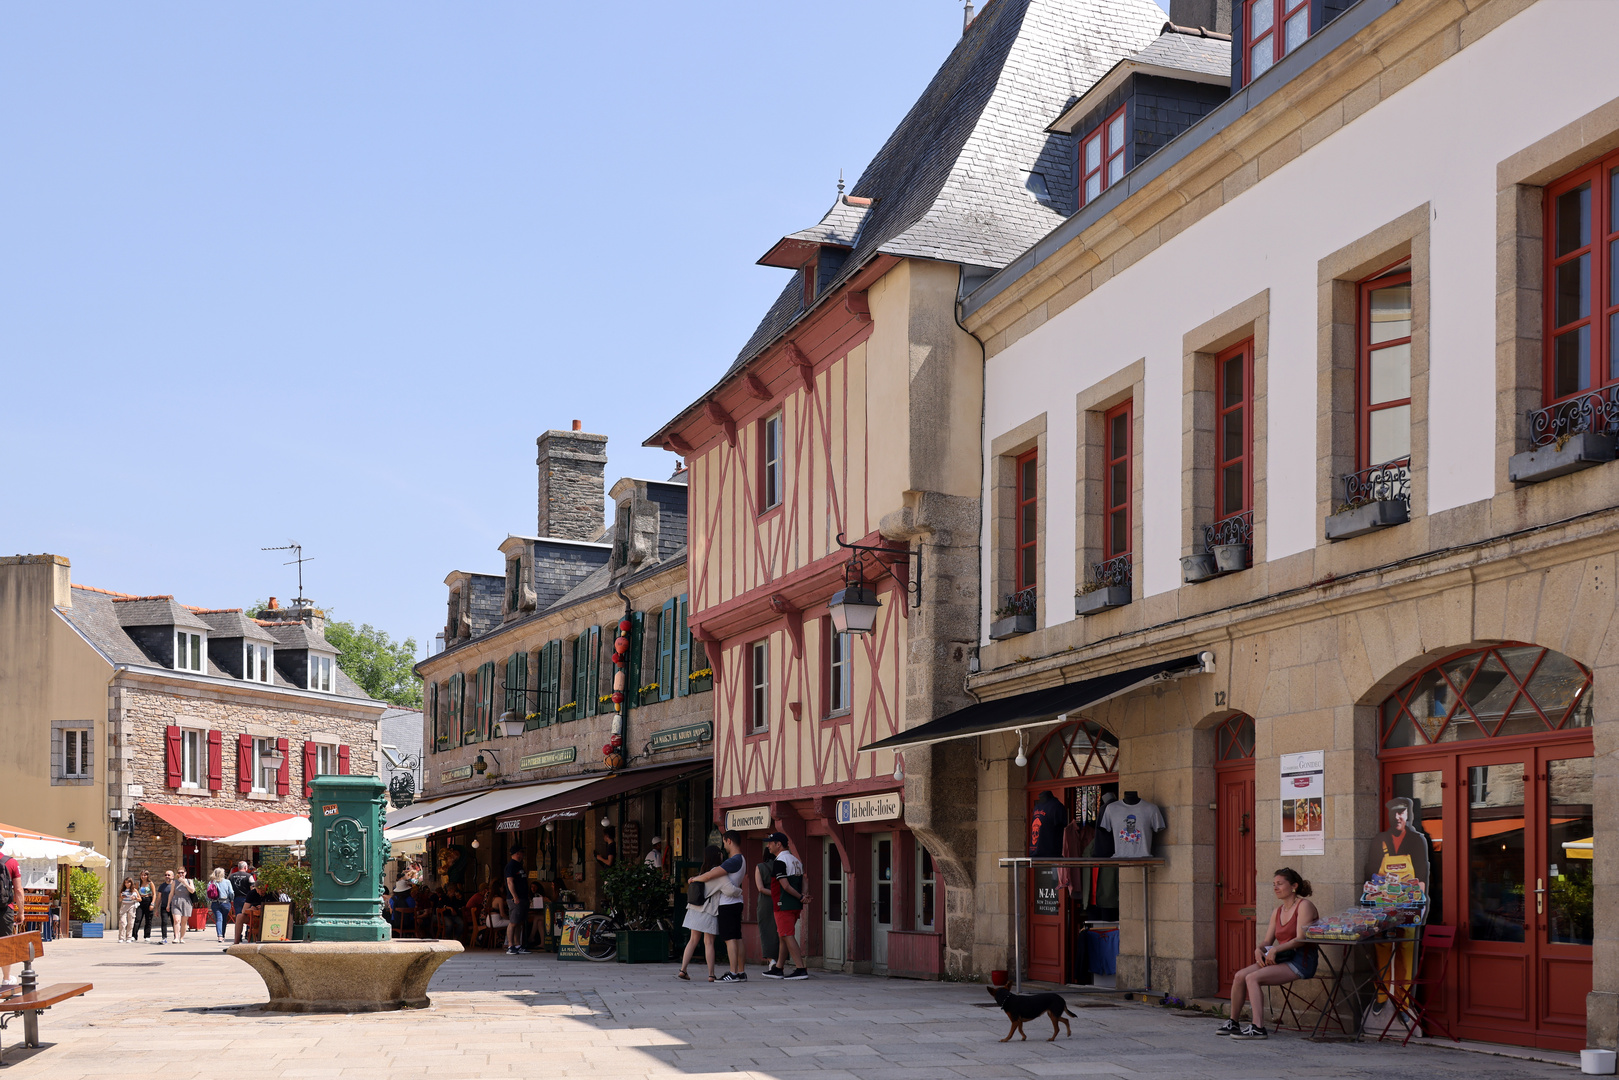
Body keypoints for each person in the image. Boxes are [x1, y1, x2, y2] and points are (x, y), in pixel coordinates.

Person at [1216, 868, 1319, 1040]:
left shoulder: (1304, 906)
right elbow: (1267, 942)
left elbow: (1302, 939)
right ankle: (1233, 1022)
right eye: (1274, 884)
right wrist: (1259, 949)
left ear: (1294, 886)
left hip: (1301, 961)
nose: (1276, 888)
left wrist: (1276, 949)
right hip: (1282, 959)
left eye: (1280, 884)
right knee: (1240, 976)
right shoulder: (1277, 911)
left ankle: (1258, 1027)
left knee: (1252, 978)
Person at [691, 831, 747, 982]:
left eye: (724, 842)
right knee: (737, 937)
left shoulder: (733, 860)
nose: (723, 846)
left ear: (729, 841)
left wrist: (695, 879)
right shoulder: (741, 859)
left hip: (727, 904)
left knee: (730, 939)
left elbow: (711, 875)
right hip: (736, 903)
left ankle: (733, 973)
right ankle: (741, 971)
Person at [762, 833, 809, 980]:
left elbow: (785, 886)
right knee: (783, 935)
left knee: (787, 935)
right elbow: (805, 880)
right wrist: (803, 895)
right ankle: (778, 968)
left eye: (770, 842)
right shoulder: (796, 860)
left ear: (778, 844)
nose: (768, 845)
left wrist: (801, 897)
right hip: (794, 905)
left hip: (783, 904)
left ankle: (801, 969)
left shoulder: (780, 861)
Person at [677, 845, 724, 982]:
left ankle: (683, 969)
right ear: (716, 855)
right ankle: (711, 974)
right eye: (720, 853)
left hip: (694, 909)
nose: (722, 855)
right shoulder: (717, 871)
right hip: (708, 910)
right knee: (709, 942)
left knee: (692, 940)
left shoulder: (702, 870)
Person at [754, 844, 781, 978]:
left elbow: (760, 888)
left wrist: (772, 893)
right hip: (781, 900)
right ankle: (780, 960)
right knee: (779, 930)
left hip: (765, 901)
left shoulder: (760, 867)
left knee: (765, 930)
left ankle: (771, 960)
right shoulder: (781, 866)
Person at [0, 839, 20, 992]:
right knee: (5, 943)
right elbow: (18, 890)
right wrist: (21, 912)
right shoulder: (11, 862)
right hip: (5, 909)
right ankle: (6, 979)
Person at [504, 849, 531, 955]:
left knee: (519, 922)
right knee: (513, 922)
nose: (522, 855)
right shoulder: (511, 866)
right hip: (515, 898)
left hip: (523, 897)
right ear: (517, 853)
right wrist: (515, 896)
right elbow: (510, 882)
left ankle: (518, 945)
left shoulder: (519, 865)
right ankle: (510, 945)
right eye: (521, 853)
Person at [228, 863, 256, 945]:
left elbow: (228, 885)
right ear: (245, 867)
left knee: (238, 917)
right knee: (249, 915)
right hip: (247, 899)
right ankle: (248, 934)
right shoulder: (249, 876)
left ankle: (238, 936)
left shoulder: (232, 876)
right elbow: (252, 888)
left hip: (236, 899)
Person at [166, 869, 195, 944]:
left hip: (186, 902)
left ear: (185, 873)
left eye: (182, 873)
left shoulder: (189, 881)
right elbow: (171, 893)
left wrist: (185, 883)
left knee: (184, 922)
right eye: (179, 873)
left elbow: (192, 891)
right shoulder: (174, 882)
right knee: (176, 920)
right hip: (176, 902)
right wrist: (168, 904)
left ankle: (182, 938)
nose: (181, 874)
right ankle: (176, 937)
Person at [207, 868, 234, 943]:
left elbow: (208, 894)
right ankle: (223, 935)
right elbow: (231, 892)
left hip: (215, 903)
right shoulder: (227, 882)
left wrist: (209, 901)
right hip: (225, 902)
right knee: (224, 919)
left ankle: (220, 936)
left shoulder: (211, 882)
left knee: (219, 919)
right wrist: (231, 899)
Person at [134, 870, 155, 942]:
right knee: (138, 919)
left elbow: (154, 894)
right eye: (142, 875)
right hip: (140, 901)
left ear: (147, 876)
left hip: (148, 900)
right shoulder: (138, 883)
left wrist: (152, 903)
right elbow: (135, 891)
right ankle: (134, 935)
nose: (143, 877)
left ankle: (147, 935)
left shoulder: (150, 883)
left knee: (148, 919)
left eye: (145, 875)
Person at [117, 878, 140, 943]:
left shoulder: (134, 890)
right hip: (124, 905)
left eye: (128, 882)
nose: (127, 884)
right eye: (126, 883)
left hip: (131, 906)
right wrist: (122, 897)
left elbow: (140, 899)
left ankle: (129, 937)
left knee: (131, 922)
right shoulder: (122, 890)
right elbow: (120, 900)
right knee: (122, 922)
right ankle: (121, 937)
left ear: (131, 883)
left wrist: (134, 898)